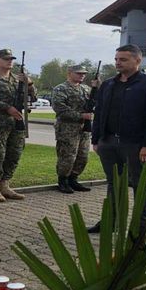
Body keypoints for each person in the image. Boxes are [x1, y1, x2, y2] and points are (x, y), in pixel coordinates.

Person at [87, 44, 146, 233]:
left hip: (135, 145)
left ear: (137, 61)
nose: (118, 63)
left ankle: (141, 225)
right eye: (116, 59)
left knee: (139, 184)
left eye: (123, 59)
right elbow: (100, 112)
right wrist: (96, 140)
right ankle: (111, 221)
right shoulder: (109, 84)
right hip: (109, 143)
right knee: (114, 184)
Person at [0, 48, 37, 202]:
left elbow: (34, 97)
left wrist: (29, 83)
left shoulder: (18, 79)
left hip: (16, 123)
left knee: (14, 153)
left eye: (11, 59)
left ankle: (6, 185)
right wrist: (7, 108)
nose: (9, 61)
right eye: (6, 59)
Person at [51, 65, 99, 194]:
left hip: (84, 128)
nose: (82, 75)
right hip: (67, 128)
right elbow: (59, 108)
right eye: (78, 73)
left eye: (83, 73)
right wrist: (81, 115)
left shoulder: (86, 89)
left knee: (82, 156)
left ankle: (73, 179)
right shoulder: (61, 89)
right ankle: (63, 181)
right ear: (70, 73)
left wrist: (97, 88)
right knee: (67, 156)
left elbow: (97, 102)